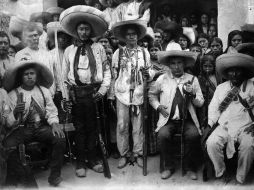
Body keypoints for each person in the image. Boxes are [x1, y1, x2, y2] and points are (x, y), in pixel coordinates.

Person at [60, 5, 111, 177]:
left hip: (93, 94)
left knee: (93, 127)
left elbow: (106, 71)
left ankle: (93, 159)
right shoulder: (69, 50)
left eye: (86, 28)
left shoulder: (99, 48)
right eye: (81, 29)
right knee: (79, 129)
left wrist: (102, 90)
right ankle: (80, 161)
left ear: (90, 30)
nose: (83, 32)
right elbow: (64, 76)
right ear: (76, 30)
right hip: (76, 95)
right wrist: (67, 96)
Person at [2, 59, 66, 187]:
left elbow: (51, 110)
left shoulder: (44, 91)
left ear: (37, 76)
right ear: (21, 77)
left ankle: (54, 176)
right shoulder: (12, 94)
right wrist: (15, 113)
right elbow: (7, 122)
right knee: (8, 144)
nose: (30, 76)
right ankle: (20, 176)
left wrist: (54, 123)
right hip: (23, 129)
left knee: (60, 138)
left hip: (42, 127)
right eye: (26, 74)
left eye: (32, 73)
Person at [149, 50, 204, 180]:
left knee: (193, 135)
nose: (176, 66)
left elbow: (200, 102)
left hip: (187, 119)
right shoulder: (162, 79)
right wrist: (158, 106)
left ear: (184, 64)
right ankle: (168, 167)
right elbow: (151, 95)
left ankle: (189, 168)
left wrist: (192, 95)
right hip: (168, 120)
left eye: (179, 63)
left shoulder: (192, 79)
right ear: (169, 65)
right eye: (173, 63)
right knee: (163, 135)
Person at [206, 53, 254, 184]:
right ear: (227, 73)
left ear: (243, 72)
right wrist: (210, 124)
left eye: (238, 70)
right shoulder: (221, 88)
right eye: (231, 71)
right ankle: (221, 172)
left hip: (246, 126)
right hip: (225, 126)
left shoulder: (252, 86)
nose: (234, 74)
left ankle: (240, 177)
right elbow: (214, 108)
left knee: (248, 146)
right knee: (211, 143)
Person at [111, 19, 152, 168]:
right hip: (122, 93)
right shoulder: (118, 52)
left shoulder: (144, 52)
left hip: (138, 94)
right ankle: (123, 154)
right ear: (124, 36)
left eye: (134, 34)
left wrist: (149, 74)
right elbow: (114, 74)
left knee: (138, 126)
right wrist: (112, 94)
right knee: (122, 125)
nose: (131, 37)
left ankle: (138, 153)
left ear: (138, 36)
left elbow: (150, 70)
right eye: (128, 34)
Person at [15, 23, 56, 96]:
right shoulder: (20, 55)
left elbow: (54, 74)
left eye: (35, 35)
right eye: (30, 36)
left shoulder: (47, 54)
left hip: (50, 94)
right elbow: (19, 77)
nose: (34, 38)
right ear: (25, 38)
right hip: (31, 96)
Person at [197, 53, 219, 129]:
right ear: (201, 66)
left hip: (218, 103)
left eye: (210, 66)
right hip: (206, 105)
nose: (207, 69)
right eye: (205, 66)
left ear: (214, 67)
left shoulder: (218, 77)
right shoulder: (200, 78)